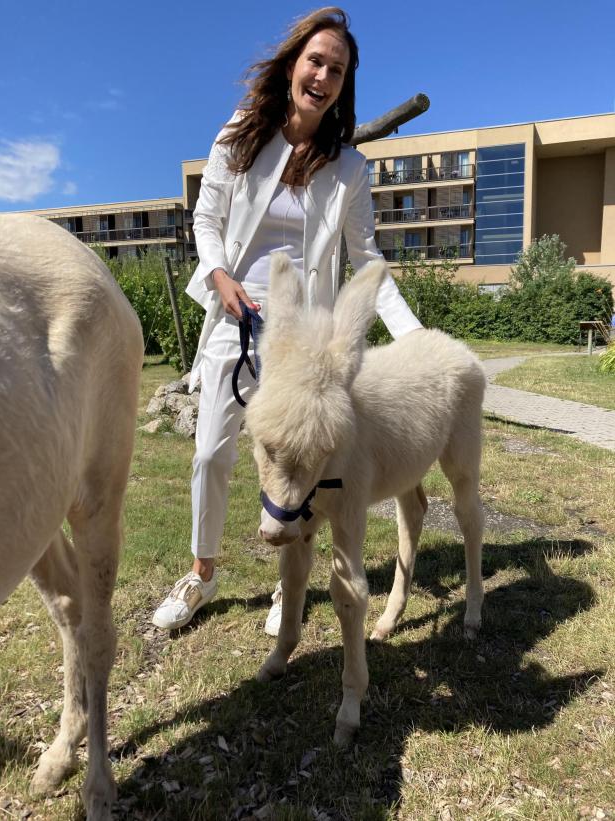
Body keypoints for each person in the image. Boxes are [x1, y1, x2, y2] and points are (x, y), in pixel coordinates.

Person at [152, 7, 422, 633]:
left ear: (344, 84)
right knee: (211, 454)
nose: (324, 76)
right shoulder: (241, 134)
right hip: (236, 318)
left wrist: (414, 336)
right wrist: (218, 276)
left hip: (307, 340)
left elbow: (367, 260)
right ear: (295, 63)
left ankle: (287, 586)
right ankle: (201, 573)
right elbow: (207, 220)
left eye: (338, 69)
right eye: (316, 61)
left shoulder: (350, 169)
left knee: (308, 462)